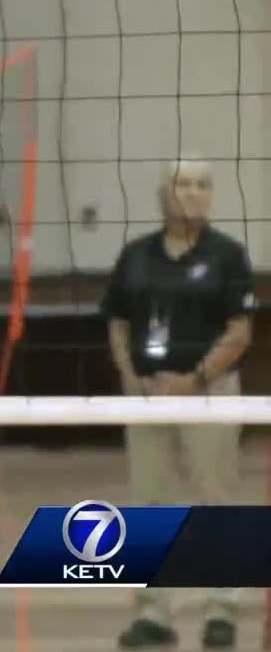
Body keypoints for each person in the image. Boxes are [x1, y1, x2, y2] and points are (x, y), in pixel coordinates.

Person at [104, 156, 253, 652]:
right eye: (182, 184)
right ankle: (153, 612)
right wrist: (133, 380)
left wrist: (193, 380)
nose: (191, 193)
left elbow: (239, 331)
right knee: (147, 501)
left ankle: (221, 609)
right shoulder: (136, 255)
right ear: (163, 194)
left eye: (201, 185)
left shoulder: (228, 255)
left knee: (215, 499)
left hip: (209, 392)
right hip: (146, 396)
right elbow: (119, 321)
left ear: (211, 195)